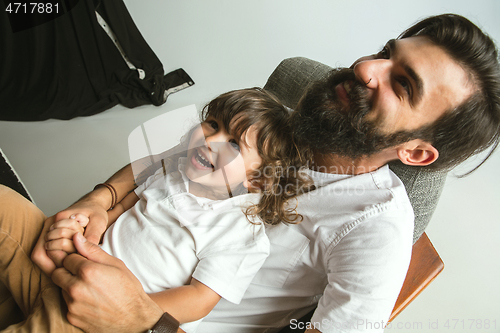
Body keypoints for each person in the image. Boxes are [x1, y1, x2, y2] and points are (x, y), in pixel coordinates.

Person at [2, 13, 500, 333]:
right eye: (388, 52)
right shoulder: (290, 115)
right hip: (84, 257)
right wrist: (100, 200)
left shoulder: (375, 234)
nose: (369, 67)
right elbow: (162, 151)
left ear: (416, 153)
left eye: (403, 83)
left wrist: (141, 319)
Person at [0, 88, 313, 332]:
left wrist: (119, 310)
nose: (210, 139)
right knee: (7, 206)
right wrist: (84, 224)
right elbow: (127, 205)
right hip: (67, 272)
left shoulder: (241, 236)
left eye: (234, 144)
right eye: (212, 124)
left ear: (257, 179)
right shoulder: (173, 173)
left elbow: (198, 300)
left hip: (97, 320)